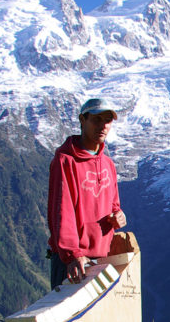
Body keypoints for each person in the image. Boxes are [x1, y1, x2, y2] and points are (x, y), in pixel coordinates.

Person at [47, 97, 126, 289]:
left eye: (107, 120)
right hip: (74, 262)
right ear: (82, 120)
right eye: (96, 119)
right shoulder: (66, 161)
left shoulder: (107, 164)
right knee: (71, 319)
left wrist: (118, 216)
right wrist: (72, 255)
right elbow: (61, 211)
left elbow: (113, 205)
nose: (103, 126)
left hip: (102, 258)